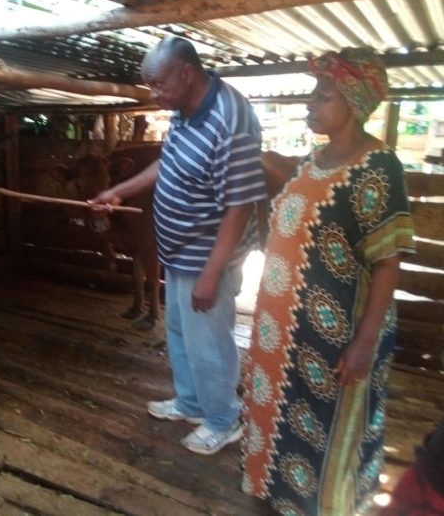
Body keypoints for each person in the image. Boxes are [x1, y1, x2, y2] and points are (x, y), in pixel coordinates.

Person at [241, 48, 416, 515]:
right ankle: (280, 493)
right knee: (283, 410)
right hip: (284, 331)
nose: (310, 104)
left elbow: (387, 261)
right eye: (312, 95)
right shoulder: (312, 160)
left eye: (323, 96)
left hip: (337, 334)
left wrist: (365, 340)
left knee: (330, 423)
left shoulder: (378, 166)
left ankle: (328, 505)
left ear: (355, 102)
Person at [90, 37, 266, 455]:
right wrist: (118, 191)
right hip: (179, 251)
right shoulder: (186, 110)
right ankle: (190, 402)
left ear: (187, 73)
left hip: (208, 257)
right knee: (181, 332)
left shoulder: (231, 119)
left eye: (158, 84)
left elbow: (239, 207)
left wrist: (211, 273)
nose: (153, 95)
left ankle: (224, 420)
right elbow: (167, 162)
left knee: (209, 340)